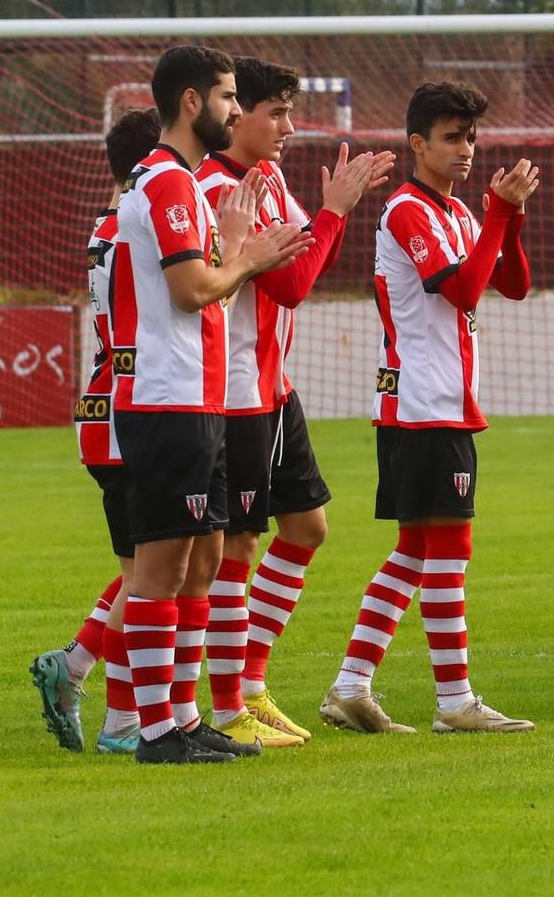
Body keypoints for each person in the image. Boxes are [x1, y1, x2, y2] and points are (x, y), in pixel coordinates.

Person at [319, 81, 539, 734]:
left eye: (471, 136)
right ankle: (454, 701)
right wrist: (497, 214)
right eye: (452, 136)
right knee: (447, 546)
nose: (466, 148)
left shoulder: (459, 214)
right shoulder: (410, 211)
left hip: (439, 402)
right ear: (417, 143)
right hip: (423, 402)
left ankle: (351, 685)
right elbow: (467, 290)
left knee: (416, 550)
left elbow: (515, 284)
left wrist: (511, 217)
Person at [114, 46, 312, 764]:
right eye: (228, 96)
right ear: (192, 102)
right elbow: (194, 289)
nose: (236, 108)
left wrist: (234, 251)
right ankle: (155, 728)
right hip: (168, 401)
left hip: (198, 400)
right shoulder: (168, 184)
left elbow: (210, 288)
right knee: (163, 570)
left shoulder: (185, 184)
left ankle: (186, 715)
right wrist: (247, 253)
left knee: (201, 564)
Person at [194, 57, 393, 748]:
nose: (288, 126)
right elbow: (293, 284)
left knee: (305, 527)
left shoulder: (269, 178)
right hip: (237, 391)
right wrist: (337, 207)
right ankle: (228, 707)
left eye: (288, 111)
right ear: (233, 114)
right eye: (273, 112)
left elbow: (308, 255)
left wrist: (332, 212)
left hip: (276, 387)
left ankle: (250, 682)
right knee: (232, 544)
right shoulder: (220, 188)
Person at [29, 107, 164, 755]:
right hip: (128, 412)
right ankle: (122, 721)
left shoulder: (107, 226)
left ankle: (76, 668)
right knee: (153, 572)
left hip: (105, 405)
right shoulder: (142, 230)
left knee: (146, 566)